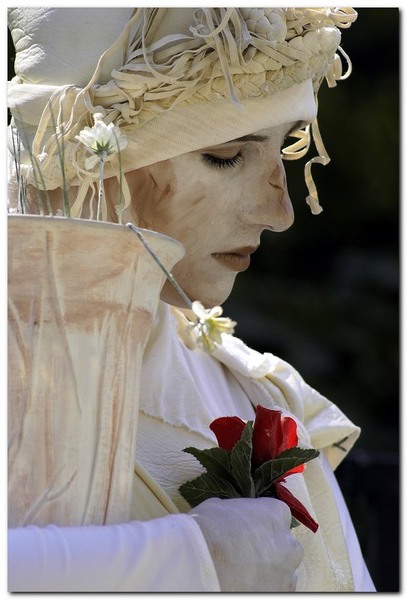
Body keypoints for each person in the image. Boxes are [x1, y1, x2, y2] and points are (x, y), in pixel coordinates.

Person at [7, 7, 376, 592]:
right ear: (91, 166)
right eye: (226, 155)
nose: (280, 214)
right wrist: (187, 559)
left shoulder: (259, 397)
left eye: (287, 145)